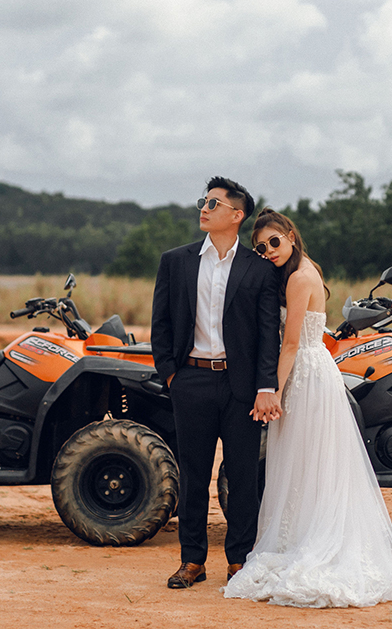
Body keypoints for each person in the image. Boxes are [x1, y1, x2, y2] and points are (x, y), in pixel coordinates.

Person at [223, 207, 392, 608]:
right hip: (309, 369)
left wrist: (275, 391)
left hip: (305, 374)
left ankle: (312, 541)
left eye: (274, 242)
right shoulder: (298, 271)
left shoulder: (300, 277)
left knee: (310, 459)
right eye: (261, 247)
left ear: (291, 236)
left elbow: (291, 343)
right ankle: (297, 537)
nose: (268, 251)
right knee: (304, 461)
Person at [151, 177, 283, 589]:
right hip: (190, 380)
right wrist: (172, 374)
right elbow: (161, 323)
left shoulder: (259, 269)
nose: (203, 209)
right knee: (192, 475)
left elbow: (268, 336)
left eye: (213, 203)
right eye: (203, 202)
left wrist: (265, 386)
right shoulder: (176, 261)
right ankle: (192, 561)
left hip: (240, 386)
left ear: (237, 215)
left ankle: (239, 562)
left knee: (243, 477)